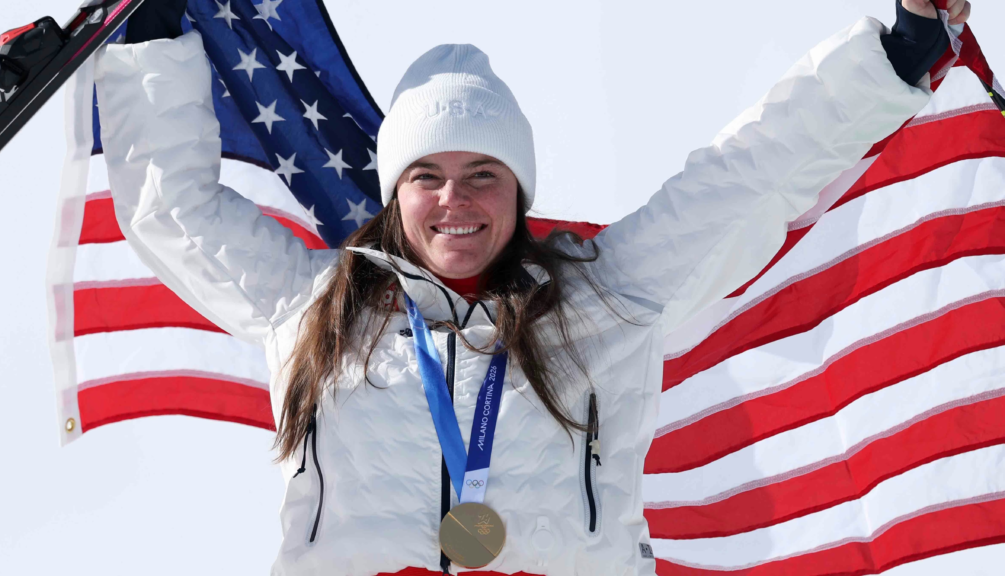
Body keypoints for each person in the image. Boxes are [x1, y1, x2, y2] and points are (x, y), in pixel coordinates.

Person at [96, 0, 972, 574]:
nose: (455, 200)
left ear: (519, 191)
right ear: (395, 194)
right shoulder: (315, 304)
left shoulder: (607, 298)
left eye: (483, 173)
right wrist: (151, 43)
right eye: (426, 176)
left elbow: (744, 177)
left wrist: (895, 54)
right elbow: (175, 213)